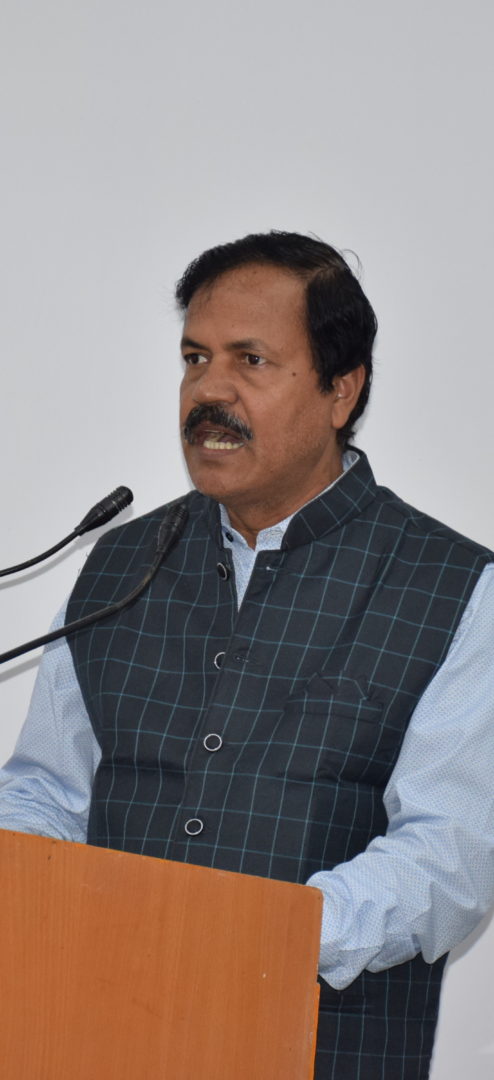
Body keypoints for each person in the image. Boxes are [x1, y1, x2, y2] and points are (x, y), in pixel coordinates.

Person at [1, 231, 494, 1079]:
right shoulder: (120, 564)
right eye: (195, 358)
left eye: (250, 360)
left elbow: (450, 855)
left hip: (319, 1048)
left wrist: (255, 934)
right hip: (92, 1033)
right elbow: (47, 793)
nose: (208, 390)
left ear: (342, 389)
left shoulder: (451, 585)